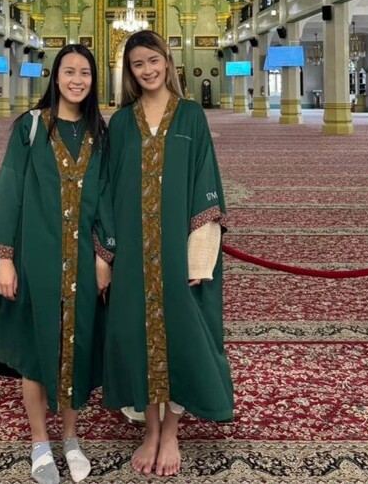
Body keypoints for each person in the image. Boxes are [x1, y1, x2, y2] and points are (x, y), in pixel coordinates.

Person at [0, 44, 114, 484]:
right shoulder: (31, 126)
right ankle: (41, 441)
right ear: (55, 77)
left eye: (85, 73)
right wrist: (3, 258)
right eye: (69, 71)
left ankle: (71, 438)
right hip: (35, 256)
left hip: (82, 260)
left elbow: (106, 197)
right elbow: (10, 188)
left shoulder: (99, 132)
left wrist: (104, 255)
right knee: (35, 347)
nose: (77, 80)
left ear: (93, 79)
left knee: (76, 346)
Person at [103, 30, 233, 477]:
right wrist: (106, 255)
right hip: (132, 254)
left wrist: (200, 255)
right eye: (138, 64)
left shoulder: (191, 116)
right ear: (129, 71)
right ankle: (150, 429)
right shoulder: (121, 123)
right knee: (135, 333)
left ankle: (172, 430)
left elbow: (205, 182)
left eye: (153, 60)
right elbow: (106, 192)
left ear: (167, 61)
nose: (148, 70)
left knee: (183, 333)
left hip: (180, 253)